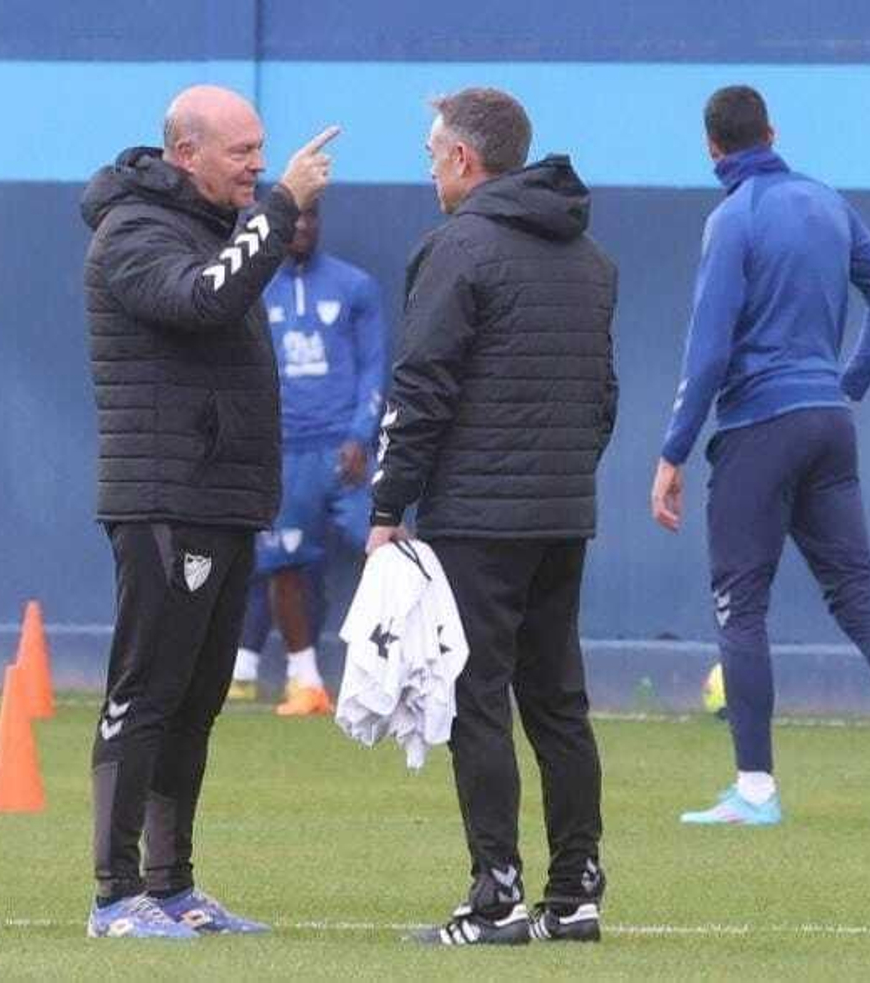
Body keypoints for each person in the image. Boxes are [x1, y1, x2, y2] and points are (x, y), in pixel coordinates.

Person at [650, 85, 870, 828]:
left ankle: (755, 789)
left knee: (741, 605)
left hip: (761, 428)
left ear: (712, 149)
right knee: (858, 597)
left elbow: (710, 346)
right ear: (773, 132)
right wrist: (845, 382)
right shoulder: (825, 201)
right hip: (828, 423)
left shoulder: (732, 219)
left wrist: (673, 451)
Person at [78, 84, 337, 939]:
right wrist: (281, 205)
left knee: (195, 701)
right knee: (146, 693)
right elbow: (204, 299)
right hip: (165, 496)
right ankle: (116, 896)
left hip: (222, 497)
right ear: (186, 153)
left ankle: (174, 885)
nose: (259, 164)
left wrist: (261, 213)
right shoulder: (134, 233)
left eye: (263, 150)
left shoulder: (210, 227)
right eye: (242, 151)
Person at [367, 88, 617, 945]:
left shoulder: (457, 248)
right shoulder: (589, 257)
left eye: (434, 156)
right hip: (561, 514)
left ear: (465, 160)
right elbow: (602, 398)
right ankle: (576, 890)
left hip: (476, 518)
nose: (430, 171)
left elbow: (421, 386)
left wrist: (387, 505)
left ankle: (496, 896)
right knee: (558, 703)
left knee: (477, 701)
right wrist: (563, 477)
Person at [229, 199, 387, 716]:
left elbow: (373, 368)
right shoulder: (253, 290)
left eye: (311, 216)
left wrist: (361, 435)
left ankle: (400, 671)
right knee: (284, 561)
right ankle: (306, 681)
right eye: (292, 217)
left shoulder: (354, 286)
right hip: (285, 451)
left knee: (385, 552)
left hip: (344, 450)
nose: (301, 226)